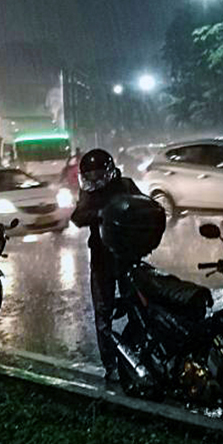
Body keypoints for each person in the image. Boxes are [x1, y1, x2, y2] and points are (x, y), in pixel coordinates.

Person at [71, 148, 141, 383]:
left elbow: (145, 206)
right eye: (89, 177)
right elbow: (78, 216)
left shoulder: (125, 186)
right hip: (101, 259)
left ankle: (140, 356)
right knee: (103, 315)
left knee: (138, 308)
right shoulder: (90, 195)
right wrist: (100, 213)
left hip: (127, 257)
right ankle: (111, 365)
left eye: (98, 175)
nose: (94, 181)